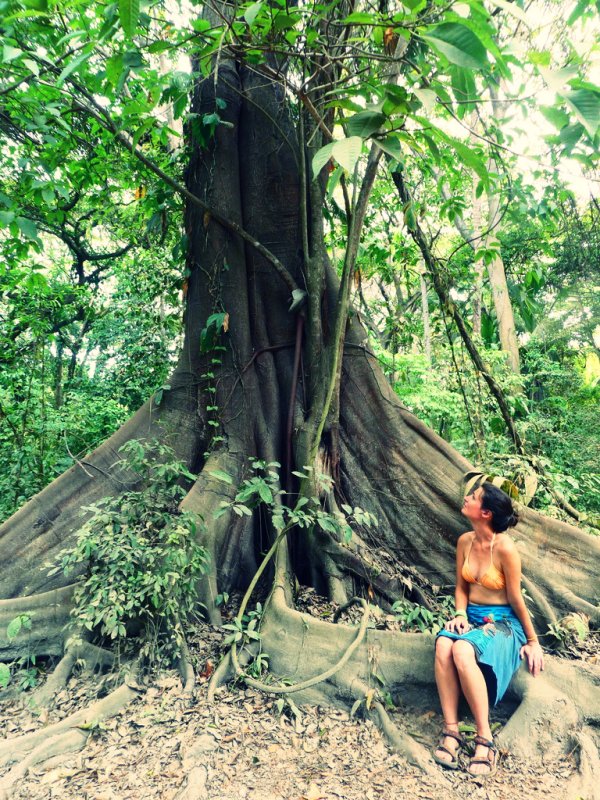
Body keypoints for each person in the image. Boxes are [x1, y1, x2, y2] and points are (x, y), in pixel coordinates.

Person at [432, 482, 544, 777]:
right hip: (471, 618)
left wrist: (533, 641)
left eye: (473, 497)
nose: (466, 498)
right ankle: (452, 732)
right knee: (444, 644)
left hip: (504, 623)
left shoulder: (505, 548)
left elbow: (516, 598)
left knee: (461, 648)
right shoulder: (464, 541)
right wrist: (459, 613)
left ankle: (485, 739)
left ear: (484, 512)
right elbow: (460, 587)